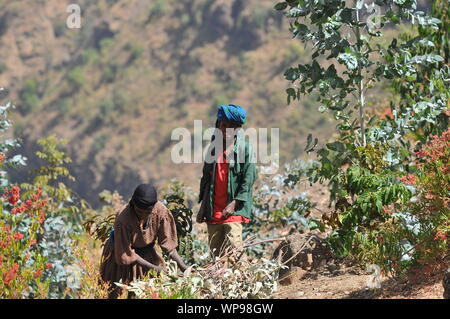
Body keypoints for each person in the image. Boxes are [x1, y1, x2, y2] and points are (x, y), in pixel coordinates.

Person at [99, 184, 188, 298]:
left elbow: (169, 247)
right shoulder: (123, 219)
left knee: (147, 293)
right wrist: (154, 268)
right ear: (133, 204)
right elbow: (126, 256)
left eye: (147, 212)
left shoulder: (161, 212)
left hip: (147, 253)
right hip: (120, 253)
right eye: (139, 211)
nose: (143, 215)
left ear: (153, 207)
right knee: (118, 292)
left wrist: (183, 267)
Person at [196, 104, 257, 258]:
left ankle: (241, 280)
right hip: (213, 210)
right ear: (218, 126)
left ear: (238, 129)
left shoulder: (245, 149)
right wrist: (203, 207)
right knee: (216, 256)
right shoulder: (213, 149)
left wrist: (234, 204)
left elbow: (248, 180)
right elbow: (207, 179)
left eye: (232, 127)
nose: (226, 130)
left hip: (233, 210)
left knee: (235, 253)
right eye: (223, 126)